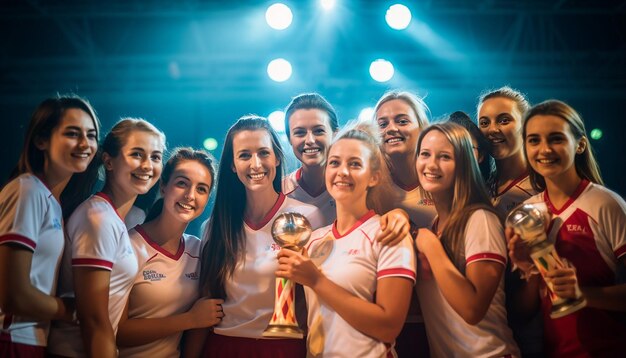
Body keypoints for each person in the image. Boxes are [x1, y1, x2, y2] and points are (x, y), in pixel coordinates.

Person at [276, 122, 416, 357]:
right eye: (335, 162)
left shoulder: (388, 234)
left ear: (374, 177)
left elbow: (388, 327)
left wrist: (316, 280)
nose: (342, 171)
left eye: (355, 164)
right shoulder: (313, 239)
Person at [186, 115, 322, 357]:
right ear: (232, 164)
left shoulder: (308, 217)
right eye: (244, 155)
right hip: (223, 346)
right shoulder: (215, 225)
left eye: (263, 153)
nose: (256, 164)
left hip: (284, 347)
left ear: (277, 157)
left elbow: (318, 297)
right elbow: (206, 301)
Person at [507, 99, 626, 357]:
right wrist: (531, 270)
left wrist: (581, 294)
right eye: (534, 140)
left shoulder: (606, 204)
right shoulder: (526, 212)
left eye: (556, 138)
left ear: (580, 144)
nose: (544, 149)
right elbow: (522, 313)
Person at [48, 118, 166, 357]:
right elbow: (94, 320)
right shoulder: (97, 219)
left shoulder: (114, 218)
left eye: (155, 157)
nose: (147, 165)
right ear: (108, 161)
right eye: (137, 154)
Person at [0, 96, 100, 357]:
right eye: (72, 133)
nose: (85, 144)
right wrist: (74, 310)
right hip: (11, 338)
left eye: (91, 135)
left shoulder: (53, 201)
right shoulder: (27, 190)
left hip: (34, 340)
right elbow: (14, 295)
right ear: (40, 140)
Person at [414, 122, 520, 357]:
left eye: (444, 157)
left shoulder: (480, 219)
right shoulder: (434, 225)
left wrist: (430, 245)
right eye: (425, 154)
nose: (431, 164)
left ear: (464, 165)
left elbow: (473, 309)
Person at [117, 147, 223, 358]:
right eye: (182, 183)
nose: (190, 196)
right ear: (164, 185)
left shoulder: (198, 250)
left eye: (201, 189)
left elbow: (205, 318)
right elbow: (114, 331)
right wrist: (190, 319)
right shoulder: (128, 246)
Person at [284, 92, 412, 245]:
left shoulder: (357, 181)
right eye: (300, 133)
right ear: (289, 139)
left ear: (335, 134)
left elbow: (386, 214)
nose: (310, 140)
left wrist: (399, 213)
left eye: (319, 131)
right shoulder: (280, 191)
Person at [373, 90, 436, 357]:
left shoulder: (443, 181)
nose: (391, 129)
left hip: (441, 318)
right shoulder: (370, 186)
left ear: (423, 128)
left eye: (402, 120)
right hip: (391, 323)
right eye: (383, 123)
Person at [477, 86, 536, 214]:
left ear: (526, 125)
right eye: (484, 123)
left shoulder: (544, 185)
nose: (492, 129)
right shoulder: (478, 186)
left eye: (504, 120)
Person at [447, 110, 496, 191]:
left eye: (466, 147)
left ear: (480, 155)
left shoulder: (492, 199)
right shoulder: (425, 197)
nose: (457, 155)